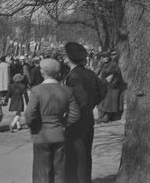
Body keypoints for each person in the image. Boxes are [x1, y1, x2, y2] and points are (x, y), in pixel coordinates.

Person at [25, 58, 81, 183]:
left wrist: (34, 126)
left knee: (42, 172)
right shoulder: (67, 90)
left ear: (42, 72)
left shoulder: (36, 90)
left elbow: (29, 115)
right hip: (59, 133)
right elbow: (75, 114)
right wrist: (63, 124)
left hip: (41, 135)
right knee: (60, 172)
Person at [63, 42, 108, 183]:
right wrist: (91, 104)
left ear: (69, 58)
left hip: (77, 122)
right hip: (87, 119)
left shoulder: (73, 76)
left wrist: (72, 113)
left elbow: (80, 99)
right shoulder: (89, 73)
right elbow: (103, 90)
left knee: (75, 156)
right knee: (85, 155)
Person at [97, 52, 123, 123]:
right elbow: (97, 72)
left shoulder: (113, 64)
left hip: (112, 86)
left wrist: (111, 83)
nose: (106, 58)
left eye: (107, 57)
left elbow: (117, 75)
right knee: (102, 101)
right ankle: (102, 117)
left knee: (109, 103)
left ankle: (106, 118)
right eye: (104, 57)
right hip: (105, 86)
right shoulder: (102, 64)